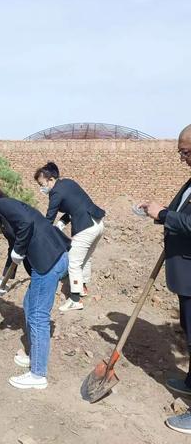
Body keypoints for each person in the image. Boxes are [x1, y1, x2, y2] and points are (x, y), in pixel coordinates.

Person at [0, 184, 70, 390]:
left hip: (48, 261)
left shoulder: (4, 205)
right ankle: (35, 355)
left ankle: (38, 374)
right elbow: (12, 247)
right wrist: (4, 279)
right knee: (29, 303)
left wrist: (19, 249)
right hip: (47, 260)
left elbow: (26, 225)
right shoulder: (4, 211)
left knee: (37, 316)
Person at [139, 124, 191, 435]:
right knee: (189, 328)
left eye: (186, 152)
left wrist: (163, 215)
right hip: (185, 272)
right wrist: (156, 210)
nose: (182, 158)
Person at [34, 162, 105, 312]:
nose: (42, 188)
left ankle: (75, 300)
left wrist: (41, 236)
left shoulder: (55, 193)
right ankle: (82, 287)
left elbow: (49, 218)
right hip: (97, 224)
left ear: (51, 180)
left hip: (85, 227)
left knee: (73, 262)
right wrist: (62, 223)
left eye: (42, 184)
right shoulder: (68, 183)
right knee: (85, 258)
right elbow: (76, 205)